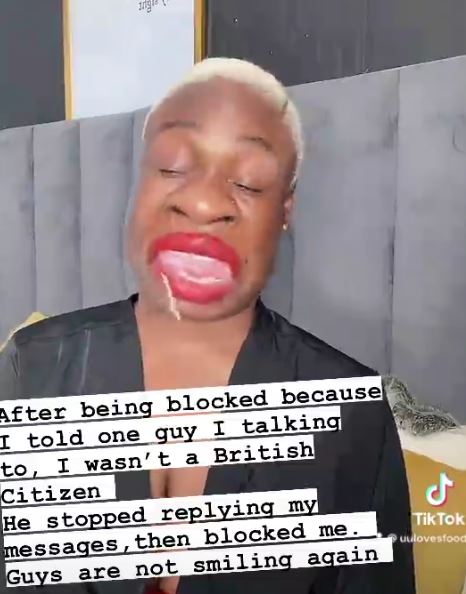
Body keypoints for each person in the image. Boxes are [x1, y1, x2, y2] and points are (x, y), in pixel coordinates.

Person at [0, 58, 415, 594]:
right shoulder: (31, 368)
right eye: (172, 165)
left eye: (248, 181)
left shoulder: (352, 412)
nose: (202, 202)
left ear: (285, 210)